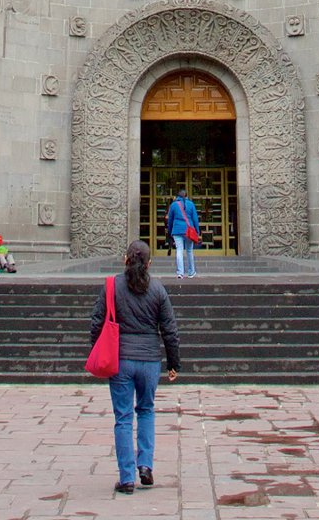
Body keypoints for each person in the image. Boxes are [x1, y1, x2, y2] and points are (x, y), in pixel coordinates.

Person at [90, 239, 181, 496]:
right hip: (150, 360)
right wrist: (173, 363)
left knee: (123, 418)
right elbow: (170, 330)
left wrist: (97, 350)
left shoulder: (112, 286)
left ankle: (127, 477)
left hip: (120, 359)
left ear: (125, 259)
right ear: (149, 263)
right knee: (146, 410)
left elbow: (97, 323)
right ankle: (145, 466)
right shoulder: (158, 289)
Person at [166, 189, 203, 279]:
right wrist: (197, 231)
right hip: (189, 230)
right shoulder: (191, 204)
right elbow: (195, 219)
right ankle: (191, 272)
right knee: (189, 251)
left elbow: (170, 220)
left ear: (178, 196)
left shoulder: (174, 205)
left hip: (177, 230)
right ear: (186, 196)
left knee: (179, 250)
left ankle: (180, 273)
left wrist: (170, 231)